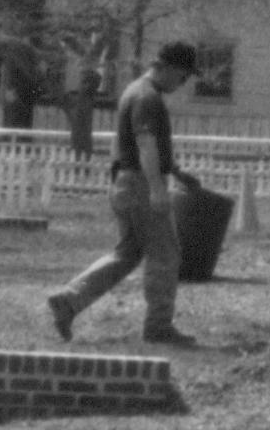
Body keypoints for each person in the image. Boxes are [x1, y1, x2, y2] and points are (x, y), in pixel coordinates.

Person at [48, 40, 197, 349]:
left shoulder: (134, 91)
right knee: (166, 255)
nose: (182, 84)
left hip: (124, 184)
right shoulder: (147, 98)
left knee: (127, 254)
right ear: (167, 68)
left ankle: (69, 300)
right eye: (183, 76)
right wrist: (157, 188)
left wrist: (177, 172)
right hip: (140, 185)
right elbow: (145, 144)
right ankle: (159, 327)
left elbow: (136, 144)